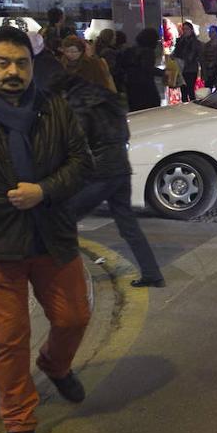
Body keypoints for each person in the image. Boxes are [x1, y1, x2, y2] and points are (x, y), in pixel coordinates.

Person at [0, 26, 92, 433]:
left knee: (74, 316)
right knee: (8, 337)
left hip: (51, 235)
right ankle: (19, 419)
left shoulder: (52, 107)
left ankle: (55, 366)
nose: (13, 71)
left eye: (21, 63)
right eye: (2, 62)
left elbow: (82, 163)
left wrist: (44, 190)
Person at [49, 71, 165, 287]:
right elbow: (126, 133)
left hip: (99, 173)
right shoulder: (107, 97)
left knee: (64, 218)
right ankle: (152, 273)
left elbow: (78, 140)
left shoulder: (78, 102)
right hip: (121, 167)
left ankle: (68, 278)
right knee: (128, 224)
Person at [119, 28, 164, 111]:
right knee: (152, 109)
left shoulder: (130, 50)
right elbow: (148, 69)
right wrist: (163, 73)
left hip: (131, 85)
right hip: (145, 86)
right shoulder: (148, 52)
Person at [173, 21, 201, 102]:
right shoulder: (180, 41)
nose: (185, 31)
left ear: (191, 30)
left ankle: (192, 104)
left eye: (187, 29)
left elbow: (191, 56)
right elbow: (176, 53)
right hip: (182, 68)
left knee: (190, 89)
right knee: (183, 91)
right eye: (184, 29)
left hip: (191, 69)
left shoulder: (194, 42)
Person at [199, 25, 217, 90]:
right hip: (209, 71)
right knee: (208, 88)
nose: (211, 34)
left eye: (213, 32)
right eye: (210, 32)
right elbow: (203, 58)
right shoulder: (206, 45)